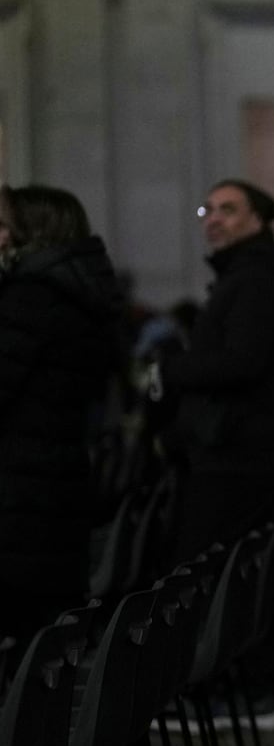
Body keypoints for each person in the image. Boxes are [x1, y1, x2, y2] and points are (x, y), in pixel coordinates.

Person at [158, 179, 274, 561]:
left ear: (258, 220)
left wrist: (170, 369)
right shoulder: (249, 274)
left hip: (238, 454)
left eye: (228, 210)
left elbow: (242, 361)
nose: (213, 220)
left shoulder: (255, 279)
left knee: (210, 572)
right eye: (207, 210)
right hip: (242, 448)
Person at [0, 184, 118, 644]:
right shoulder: (74, 293)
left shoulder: (30, 299)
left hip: (20, 493)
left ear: (32, 231)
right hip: (51, 484)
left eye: (5, 226)